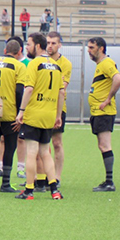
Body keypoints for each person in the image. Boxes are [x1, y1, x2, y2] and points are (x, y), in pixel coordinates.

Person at [14, 32, 64, 200]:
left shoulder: (34, 64)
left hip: (34, 113)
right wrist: (58, 115)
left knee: (31, 152)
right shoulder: (57, 66)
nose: (27, 47)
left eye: (28, 44)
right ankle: (54, 190)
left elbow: (28, 89)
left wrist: (21, 112)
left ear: (37, 46)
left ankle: (29, 190)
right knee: (45, 152)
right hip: (49, 115)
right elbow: (61, 93)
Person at [0, 40, 26, 193]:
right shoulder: (19, 66)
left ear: (5, 49)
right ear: (19, 52)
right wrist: (19, 113)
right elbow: (19, 91)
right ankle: (5, 184)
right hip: (9, 113)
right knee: (10, 148)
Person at [87, 37, 120, 192]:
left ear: (101, 48)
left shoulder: (107, 63)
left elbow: (118, 79)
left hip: (104, 112)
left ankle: (109, 182)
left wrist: (108, 98)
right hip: (98, 112)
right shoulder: (101, 64)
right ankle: (108, 181)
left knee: (105, 145)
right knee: (102, 145)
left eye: (92, 47)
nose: (89, 50)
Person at [46, 31, 72, 187]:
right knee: (41, 143)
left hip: (58, 106)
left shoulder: (65, 64)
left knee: (57, 143)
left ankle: (57, 176)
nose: (50, 46)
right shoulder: (41, 61)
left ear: (59, 45)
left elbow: (62, 87)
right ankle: (40, 176)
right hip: (42, 106)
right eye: (48, 43)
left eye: (53, 43)